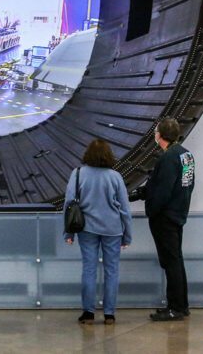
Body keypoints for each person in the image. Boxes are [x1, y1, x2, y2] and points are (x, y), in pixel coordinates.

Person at [63, 138, 133, 325]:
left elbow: (69, 204)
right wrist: (127, 235)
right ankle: (109, 314)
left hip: (86, 229)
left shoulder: (77, 174)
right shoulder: (115, 176)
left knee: (89, 269)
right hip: (113, 229)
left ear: (87, 155)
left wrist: (68, 233)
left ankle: (88, 313)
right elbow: (125, 209)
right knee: (112, 271)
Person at [132, 117, 195, 322]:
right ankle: (180, 305)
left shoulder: (168, 158)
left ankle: (175, 307)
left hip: (165, 218)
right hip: (178, 214)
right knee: (176, 260)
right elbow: (185, 185)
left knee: (171, 262)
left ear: (160, 135)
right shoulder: (186, 155)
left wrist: (152, 208)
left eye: (156, 131)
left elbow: (162, 191)